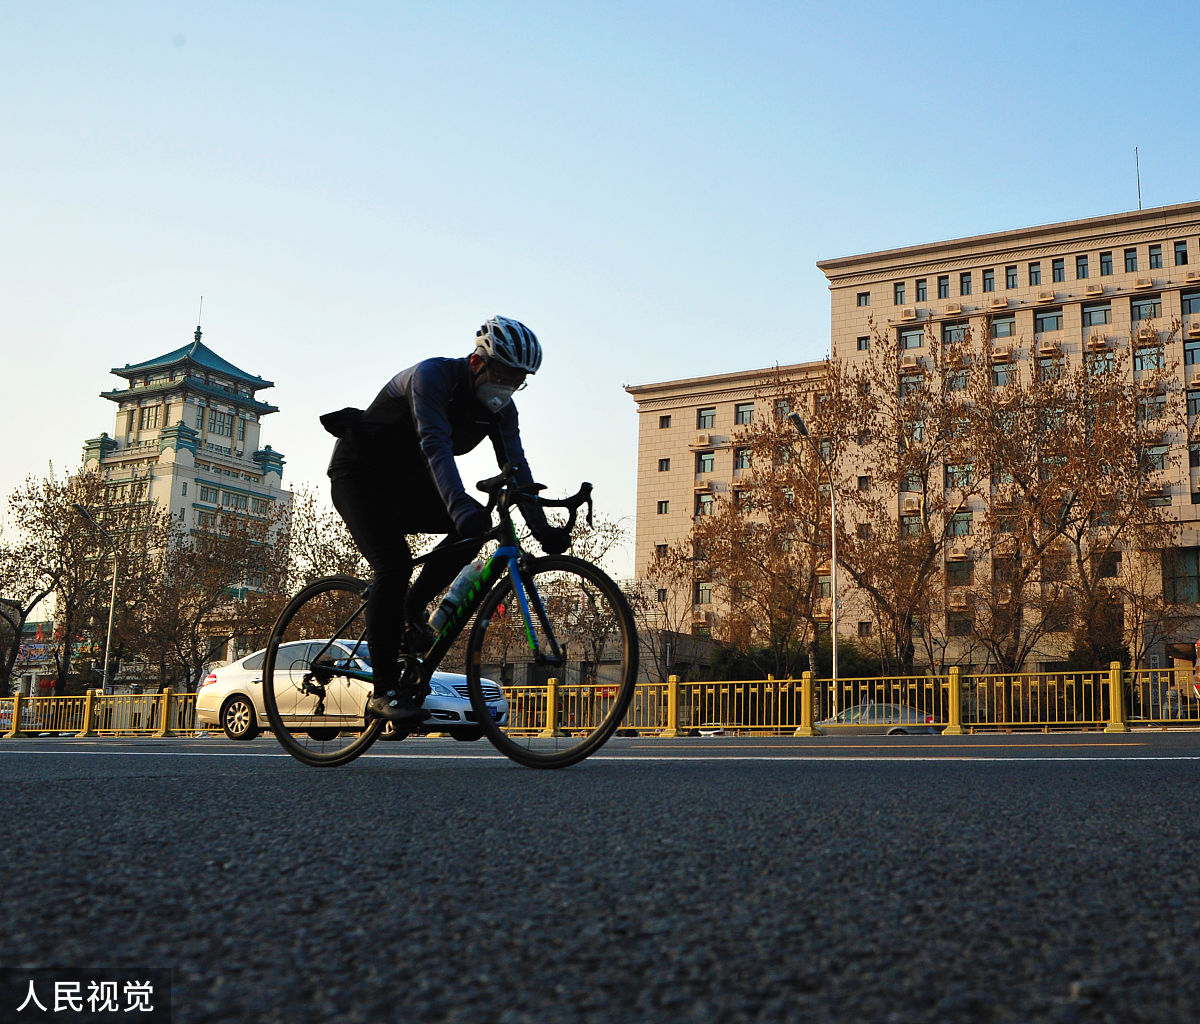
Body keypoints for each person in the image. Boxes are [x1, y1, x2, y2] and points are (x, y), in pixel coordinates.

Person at [322, 316, 569, 723]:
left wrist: (543, 531)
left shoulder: (502, 411)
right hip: (359, 475)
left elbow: (518, 469)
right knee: (394, 563)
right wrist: (459, 507)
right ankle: (383, 691)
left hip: (407, 482)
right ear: (478, 362)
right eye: (504, 374)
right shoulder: (432, 376)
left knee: (474, 532)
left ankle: (410, 609)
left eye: (518, 380)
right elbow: (434, 444)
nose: (507, 387)